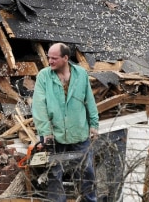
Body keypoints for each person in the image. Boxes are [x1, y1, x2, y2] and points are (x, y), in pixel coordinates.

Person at [32, 42, 99, 202]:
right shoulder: (44, 76)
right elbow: (39, 105)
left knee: (86, 173)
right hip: (55, 136)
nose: (50, 61)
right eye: (49, 57)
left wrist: (94, 125)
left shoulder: (81, 74)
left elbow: (89, 100)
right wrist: (45, 132)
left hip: (79, 133)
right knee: (55, 175)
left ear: (66, 58)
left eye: (54, 58)